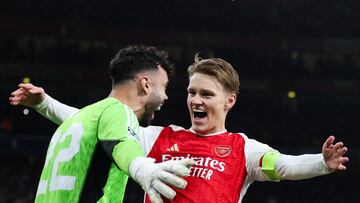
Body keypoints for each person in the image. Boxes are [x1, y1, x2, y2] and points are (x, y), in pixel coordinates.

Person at [10, 54, 349, 203]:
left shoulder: (242, 148)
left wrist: (322, 163)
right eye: (191, 92)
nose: (195, 100)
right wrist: (44, 103)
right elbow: (96, 123)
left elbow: (285, 166)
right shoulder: (160, 137)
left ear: (229, 101)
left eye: (206, 94)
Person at [10, 45, 195, 203]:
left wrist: (45, 104)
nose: (165, 96)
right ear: (145, 85)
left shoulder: (80, 120)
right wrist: (142, 168)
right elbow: (123, 144)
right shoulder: (120, 112)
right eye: (164, 87)